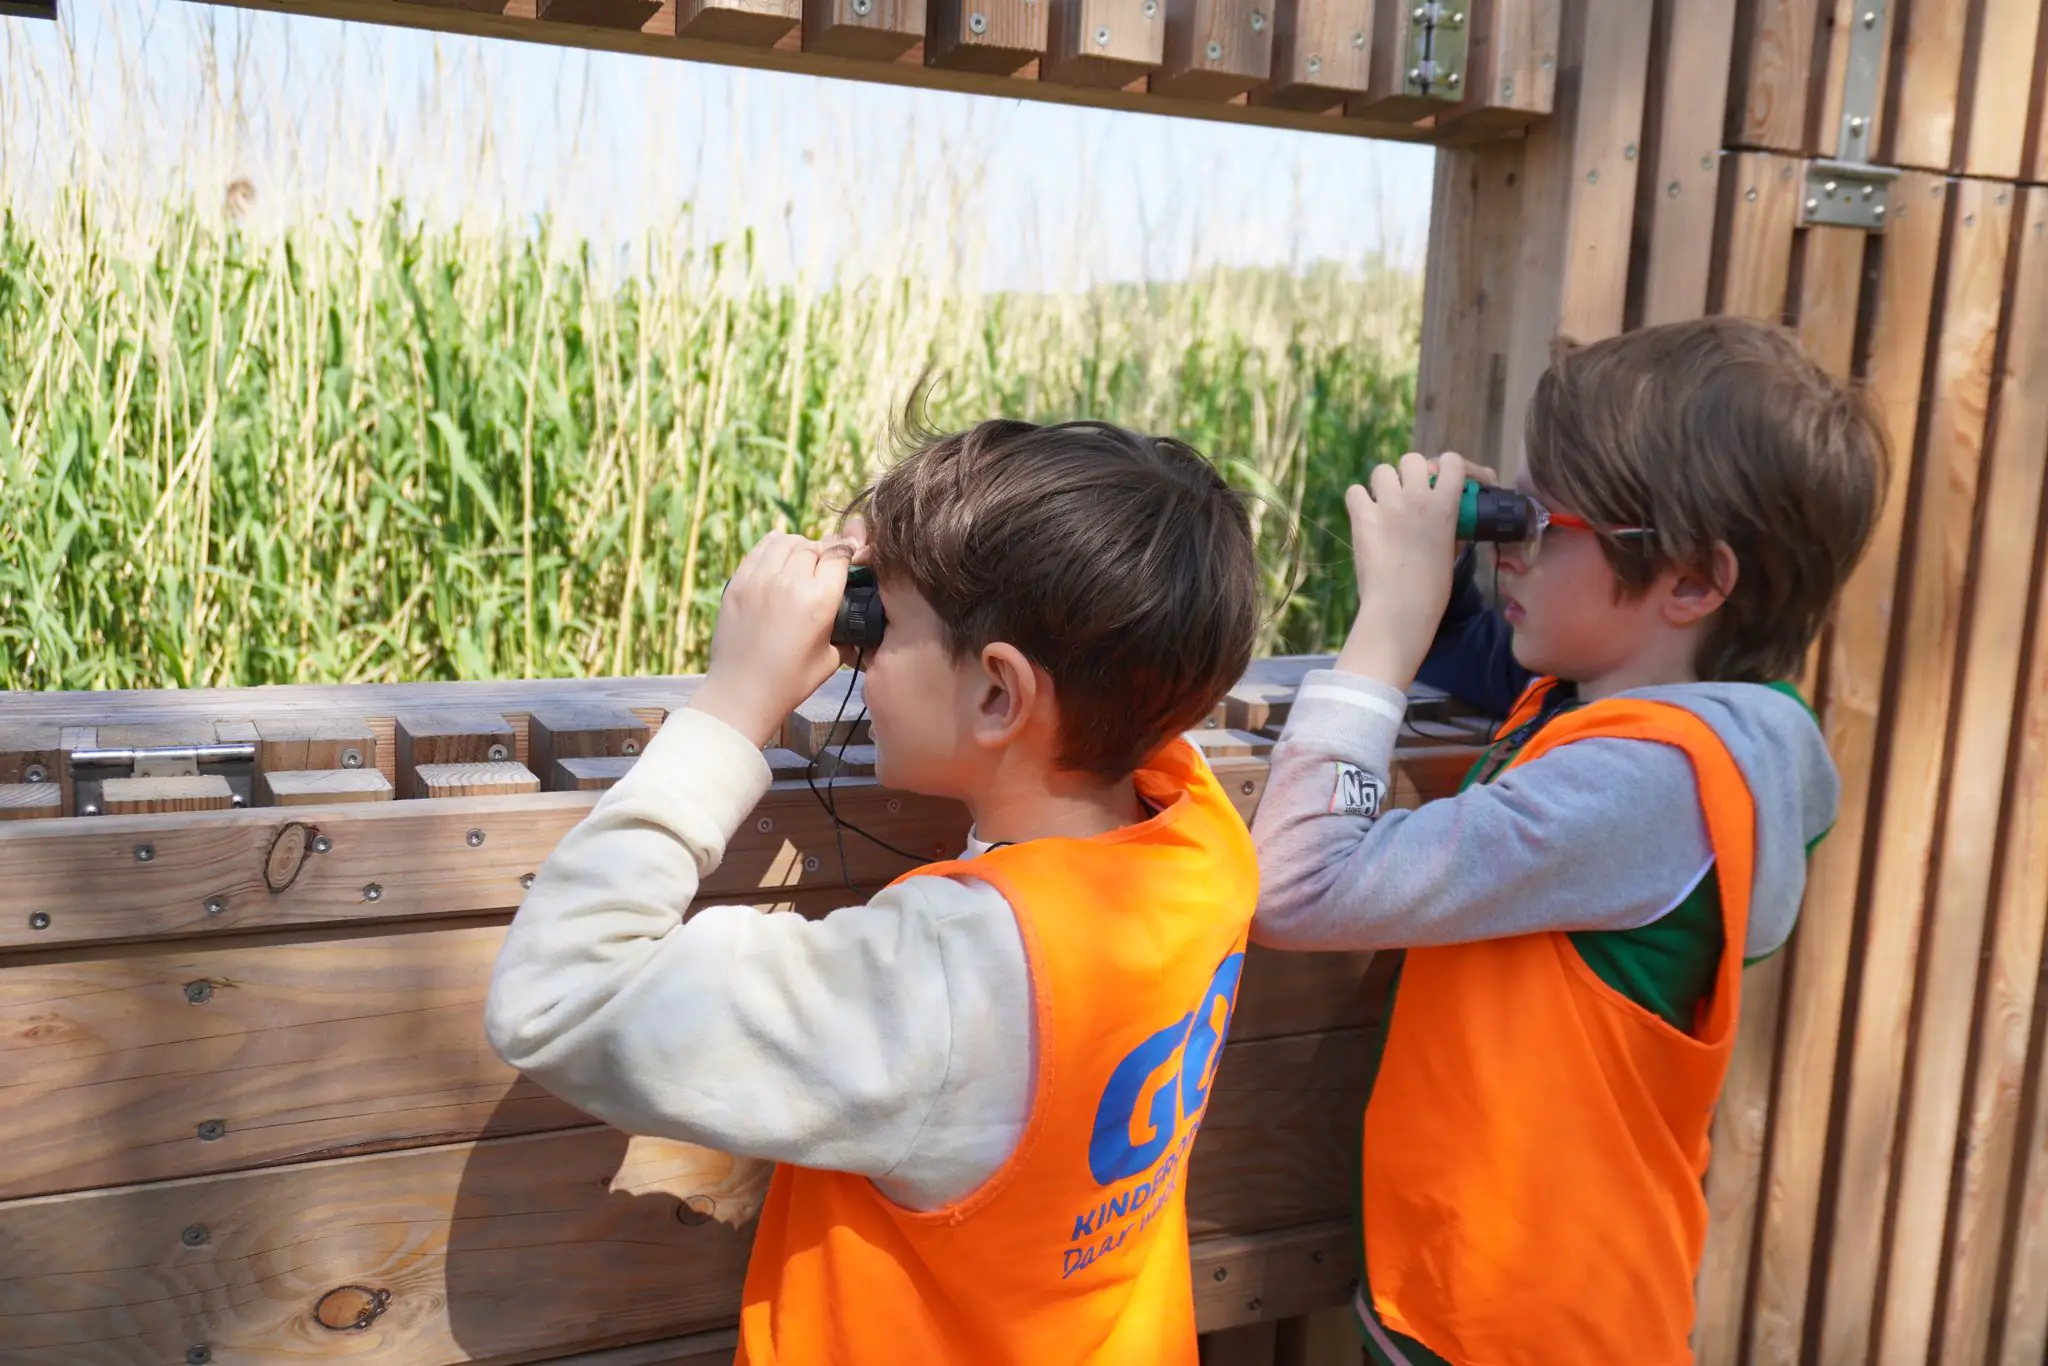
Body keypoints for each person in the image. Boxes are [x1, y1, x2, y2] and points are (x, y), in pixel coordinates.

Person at [485, 418, 1266, 1365]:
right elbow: (1102, 637)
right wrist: (908, 568)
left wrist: (735, 701)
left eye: (877, 627)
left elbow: (558, 998)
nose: (856, 650)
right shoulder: (1199, 835)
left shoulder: (943, 979)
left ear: (999, 696)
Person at [1251, 317, 1886, 1366]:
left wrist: (1384, 624)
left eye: (1543, 525)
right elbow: (1494, 659)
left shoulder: (1649, 783)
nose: (1515, 548)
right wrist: (1449, 566)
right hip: (1520, 1295)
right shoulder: (1688, 716)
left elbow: (1297, 884)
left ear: (1689, 581)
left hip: (1511, 1325)